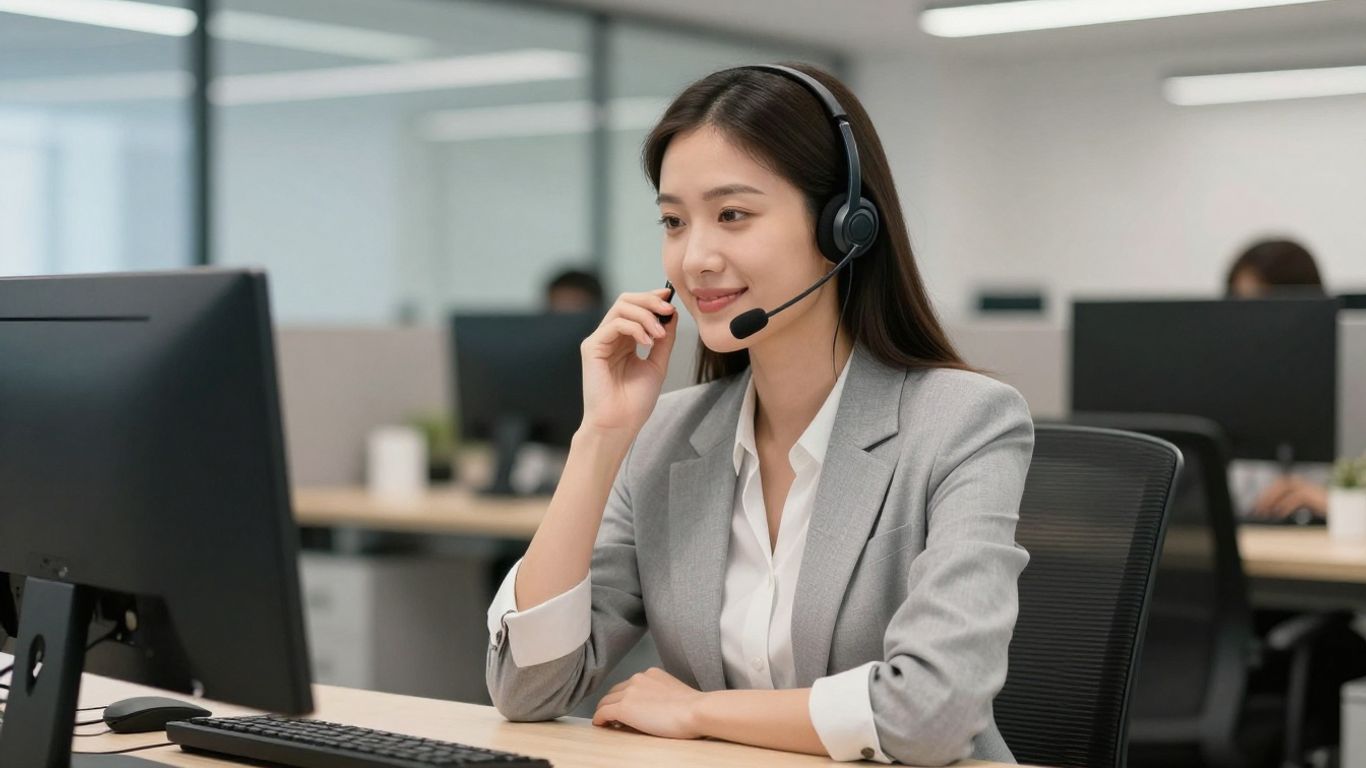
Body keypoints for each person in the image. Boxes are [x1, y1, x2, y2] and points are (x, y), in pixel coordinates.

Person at [485, 63, 1033, 766]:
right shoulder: (664, 439)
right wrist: (600, 439)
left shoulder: (965, 424)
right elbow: (526, 688)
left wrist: (696, 712)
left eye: (733, 215)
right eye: (674, 221)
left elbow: (928, 714)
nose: (695, 258)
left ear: (845, 225)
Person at [1222, 238, 1333, 520]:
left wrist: (1335, 505)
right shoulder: (1216, 390)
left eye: (1264, 309)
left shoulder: (1349, 387)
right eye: (1239, 308)